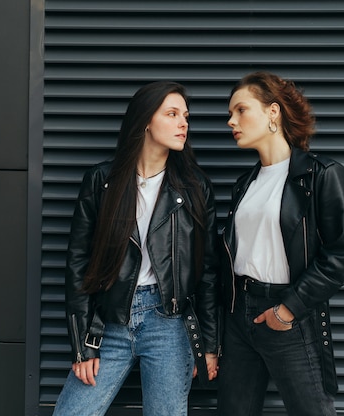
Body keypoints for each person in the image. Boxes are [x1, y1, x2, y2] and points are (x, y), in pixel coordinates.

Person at [52, 81, 220, 416]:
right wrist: (81, 342)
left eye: (185, 115)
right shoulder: (102, 182)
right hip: (109, 323)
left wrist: (210, 345)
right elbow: (78, 264)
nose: (183, 123)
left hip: (169, 323)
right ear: (145, 120)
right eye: (172, 114)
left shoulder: (194, 189)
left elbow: (208, 271)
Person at [217, 71, 344, 415]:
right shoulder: (245, 183)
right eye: (230, 113)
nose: (230, 121)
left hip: (288, 315)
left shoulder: (321, 175)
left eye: (241, 110)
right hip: (240, 317)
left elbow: (341, 258)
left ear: (273, 112)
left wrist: (288, 309)